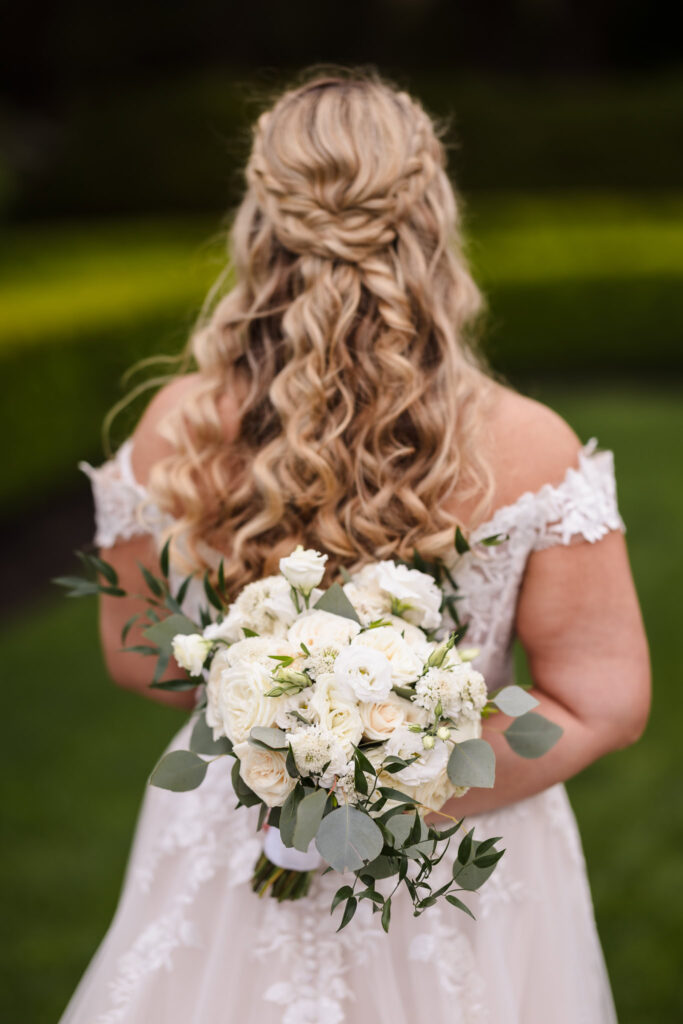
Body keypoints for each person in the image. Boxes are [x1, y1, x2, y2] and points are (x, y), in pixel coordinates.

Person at [59, 68, 650, 1024]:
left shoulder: (177, 427)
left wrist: (280, 733)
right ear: (432, 219)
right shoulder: (529, 443)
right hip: (453, 861)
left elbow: (141, 656)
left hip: (238, 829)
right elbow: (603, 699)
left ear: (258, 221)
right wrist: (395, 779)